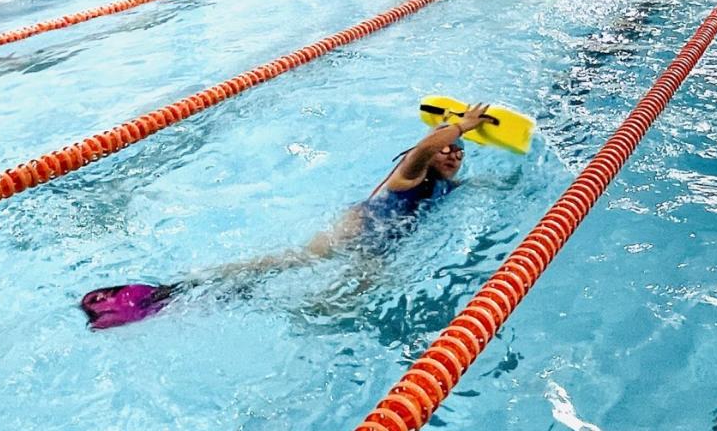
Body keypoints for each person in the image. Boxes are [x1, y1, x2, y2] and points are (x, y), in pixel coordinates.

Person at [80, 105, 497, 329]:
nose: (455, 153)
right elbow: (426, 150)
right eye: (448, 148)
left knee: (327, 301)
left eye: (459, 152)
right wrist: (460, 125)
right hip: (359, 232)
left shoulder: (446, 185)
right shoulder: (410, 173)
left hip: (376, 245)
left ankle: (209, 298)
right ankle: (173, 291)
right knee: (303, 277)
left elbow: (452, 181)